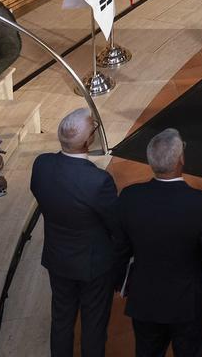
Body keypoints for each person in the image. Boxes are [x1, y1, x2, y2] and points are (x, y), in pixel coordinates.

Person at [115, 129, 202, 357]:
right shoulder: (200, 203)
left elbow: (119, 247)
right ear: (181, 160)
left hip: (145, 300)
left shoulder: (129, 197)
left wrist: (121, 282)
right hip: (188, 304)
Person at [30, 108, 119, 357]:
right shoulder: (98, 181)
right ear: (87, 142)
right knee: (93, 326)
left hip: (58, 259)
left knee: (61, 321)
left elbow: (39, 192)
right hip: (93, 266)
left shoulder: (41, 164)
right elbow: (116, 224)